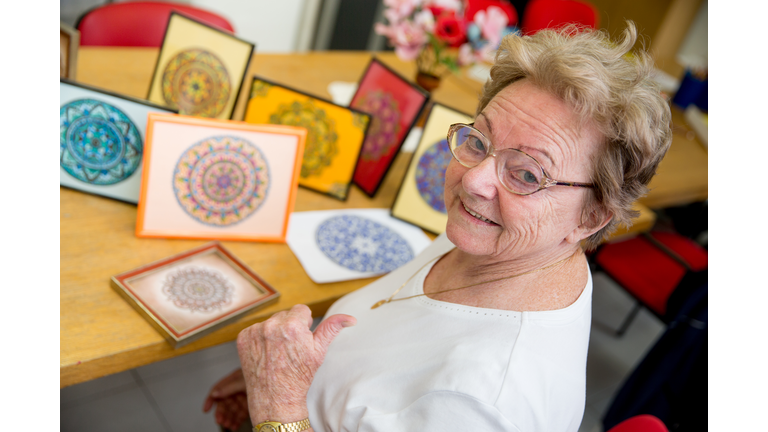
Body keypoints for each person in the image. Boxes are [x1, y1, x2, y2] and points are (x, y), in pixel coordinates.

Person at [203, 21, 671, 432]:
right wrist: (292, 376)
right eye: (479, 140)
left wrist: (279, 405)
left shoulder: (481, 402)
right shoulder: (507, 243)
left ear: (591, 217)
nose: (474, 179)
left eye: (527, 174)